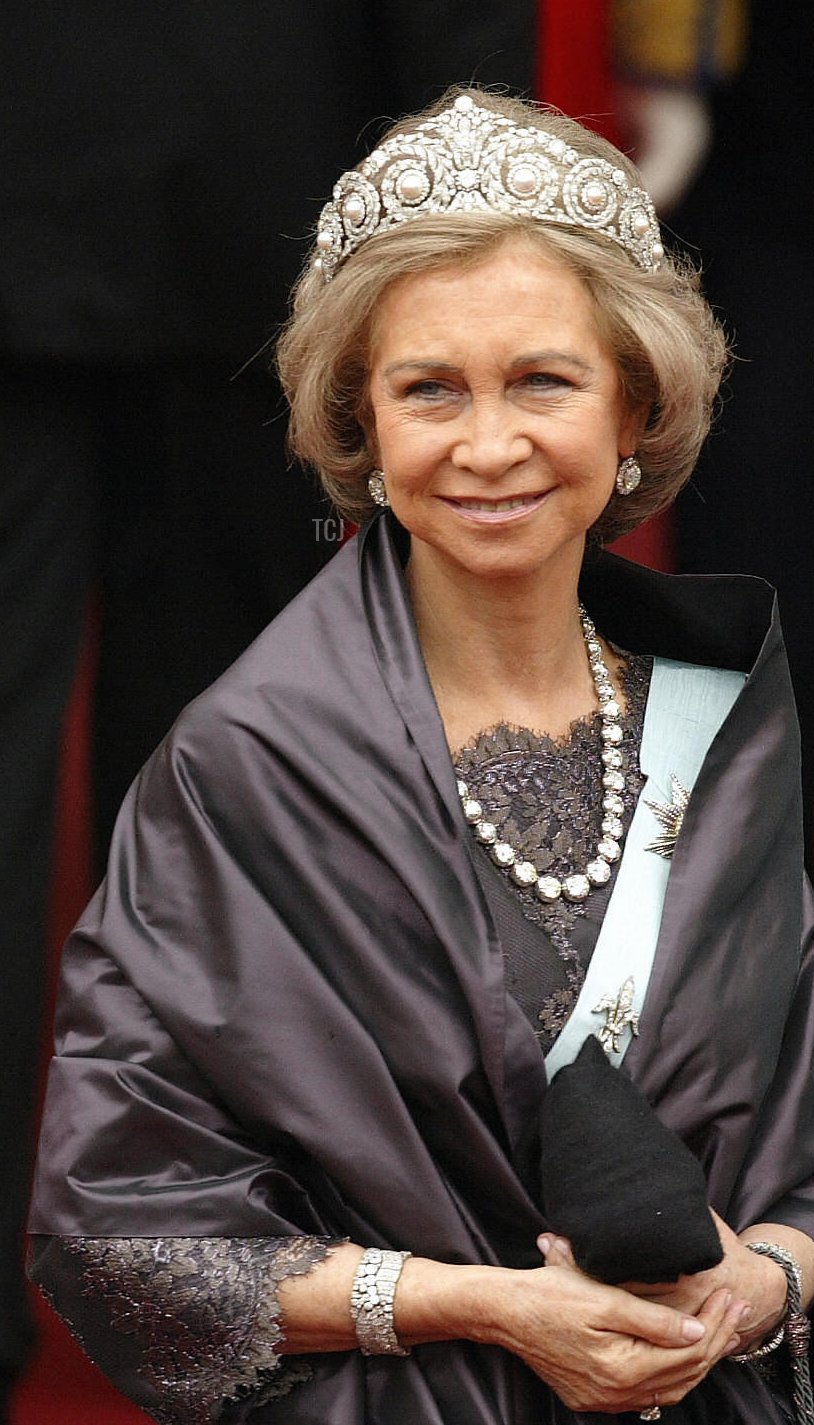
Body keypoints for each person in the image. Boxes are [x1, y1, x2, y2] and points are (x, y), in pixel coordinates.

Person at [27, 89, 814, 1424]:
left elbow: (810, 1170)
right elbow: (120, 1242)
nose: (487, 446)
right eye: (428, 389)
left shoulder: (719, 708)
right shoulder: (250, 765)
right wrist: (483, 1304)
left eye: (542, 378)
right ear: (361, 424)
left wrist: (755, 1285)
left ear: (633, 404)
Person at [1, 7, 533, 1413]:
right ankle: (215, 1292)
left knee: (219, 808)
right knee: (227, 817)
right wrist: (474, 202)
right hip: (266, 189)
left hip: (173, 191)